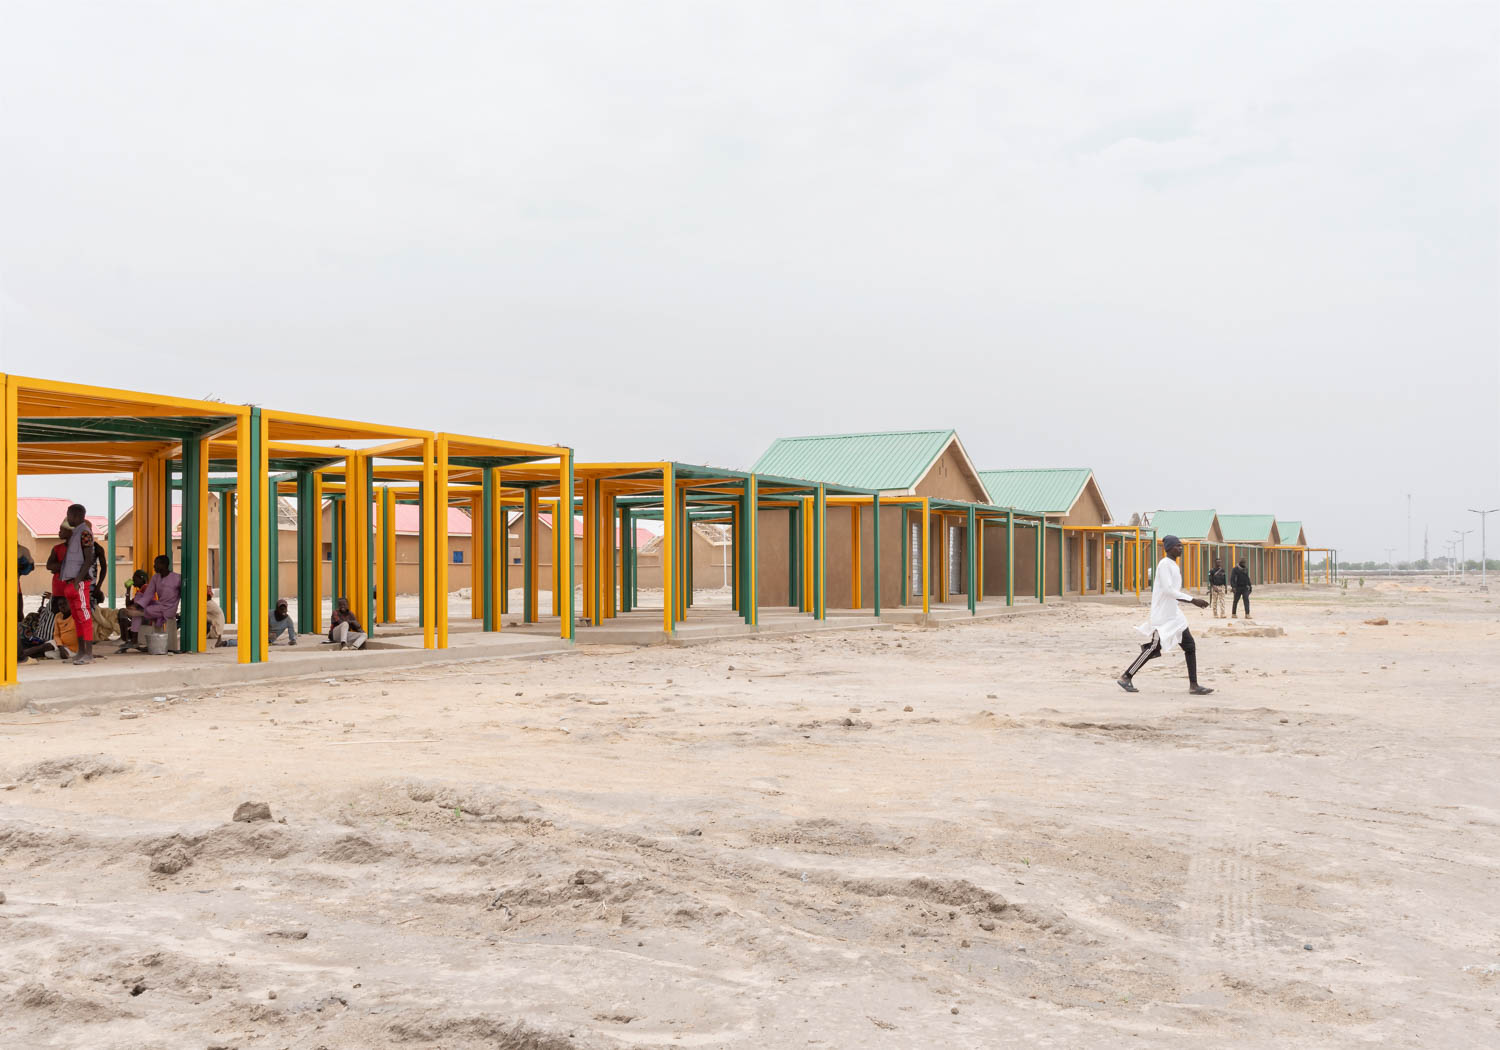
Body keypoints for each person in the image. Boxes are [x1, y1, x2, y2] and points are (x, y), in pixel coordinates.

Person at [1117, 534, 1214, 695]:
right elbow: (1169, 590)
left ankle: (1194, 685)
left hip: (1174, 614)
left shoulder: (1173, 565)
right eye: (1177, 546)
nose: (1180, 548)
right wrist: (1192, 600)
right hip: (1163, 615)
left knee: (1190, 646)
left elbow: (1173, 591)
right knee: (1154, 647)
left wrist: (1190, 600)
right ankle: (1126, 676)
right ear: (1168, 548)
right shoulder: (1164, 565)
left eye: (1181, 545)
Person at [46, 521, 95, 665]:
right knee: (77, 618)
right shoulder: (66, 546)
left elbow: (89, 559)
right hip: (69, 584)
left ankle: (88, 653)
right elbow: (51, 565)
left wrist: (77, 580)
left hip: (77, 583)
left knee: (84, 617)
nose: (59, 531)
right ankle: (81, 652)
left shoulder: (85, 534)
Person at [128, 555, 182, 648]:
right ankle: (138, 616)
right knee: (141, 603)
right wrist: (137, 605)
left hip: (170, 608)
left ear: (164, 565)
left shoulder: (177, 578)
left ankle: (134, 637)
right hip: (160, 606)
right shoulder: (155, 577)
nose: (154, 566)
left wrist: (137, 608)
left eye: (156, 564)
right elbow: (148, 594)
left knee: (139, 612)